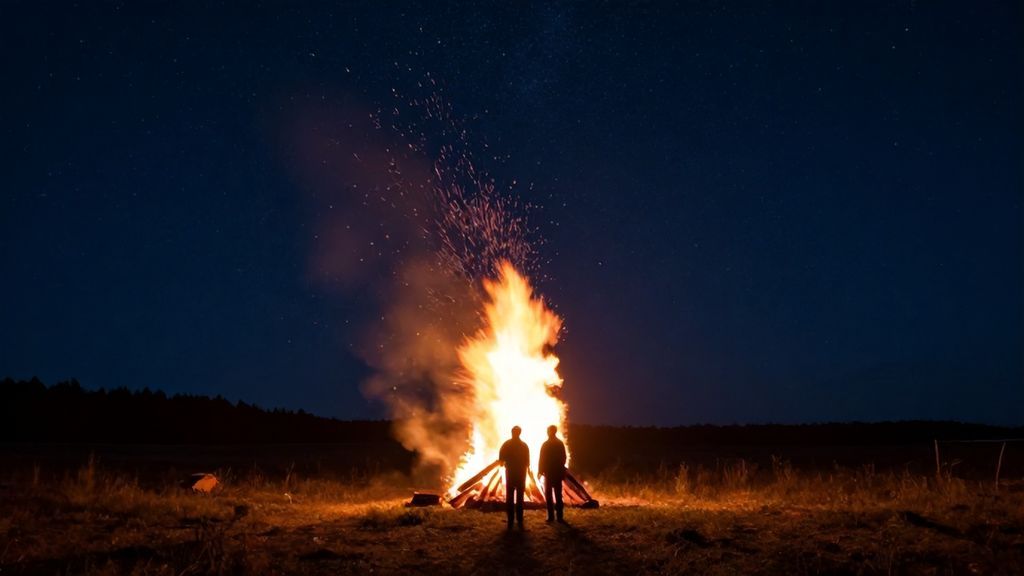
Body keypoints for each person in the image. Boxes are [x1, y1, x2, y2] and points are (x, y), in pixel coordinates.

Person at [499, 425, 530, 528]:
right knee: (520, 497)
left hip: (511, 473)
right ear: (519, 433)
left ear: (512, 432)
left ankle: (511, 519)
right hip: (521, 473)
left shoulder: (507, 444)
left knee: (510, 496)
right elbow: (527, 462)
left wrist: (503, 462)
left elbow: (501, 460)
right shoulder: (524, 445)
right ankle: (520, 519)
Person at [539, 424, 567, 523]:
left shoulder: (546, 444)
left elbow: (542, 459)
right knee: (557, 495)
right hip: (556, 472)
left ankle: (552, 517)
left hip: (550, 473)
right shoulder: (559, 443)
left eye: (548, 431)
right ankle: (558, 517)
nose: (547, 432)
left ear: (551, 432)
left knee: (550, 495)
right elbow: (564, 458)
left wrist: (540, 470)